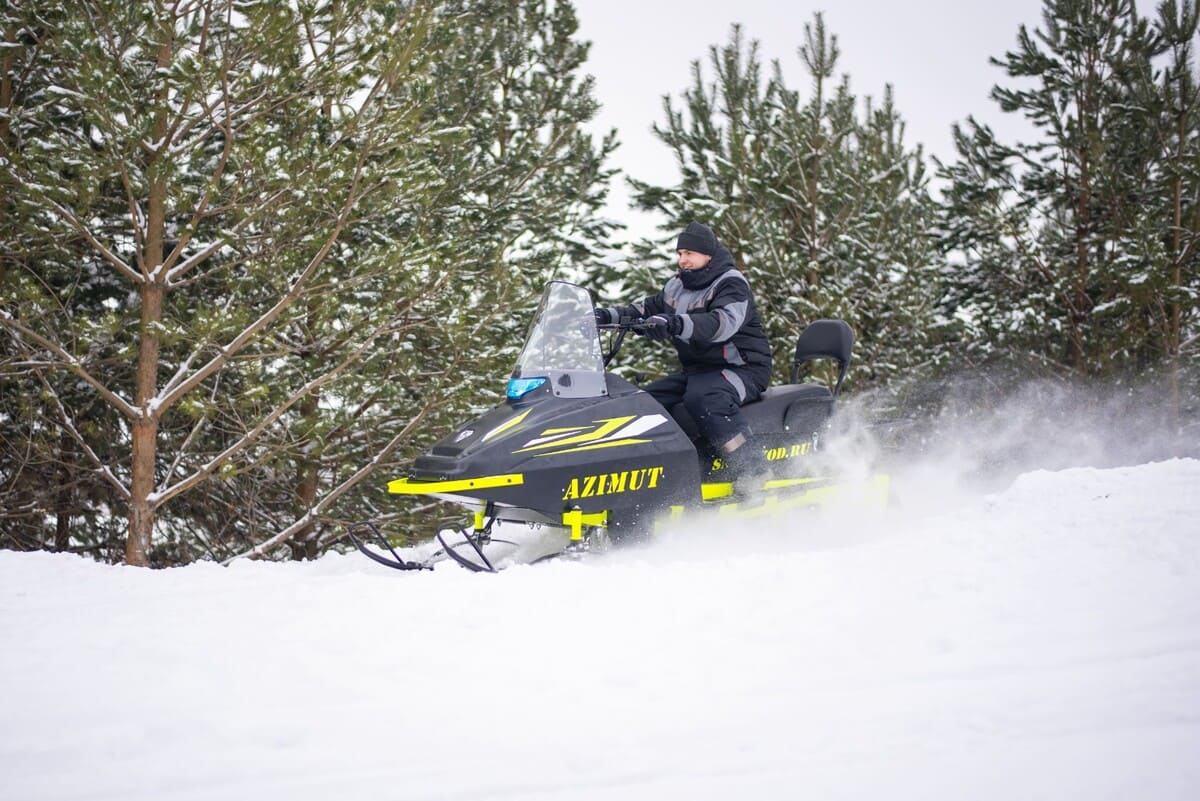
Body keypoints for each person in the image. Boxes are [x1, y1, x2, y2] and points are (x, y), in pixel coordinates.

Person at [595, 222, 773, 486]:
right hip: (699, 371)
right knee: (645, 402)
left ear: (708, 255)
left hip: (744, 368)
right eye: (680, 254)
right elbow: (646, 308)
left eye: (689, 253)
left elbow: (721, 324)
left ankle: (754, 472)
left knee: (705, 397)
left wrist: (674, 323)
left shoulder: (731, 284)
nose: (683, 260)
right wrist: (603, 316)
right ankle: (663, 477)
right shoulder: (677, 286)